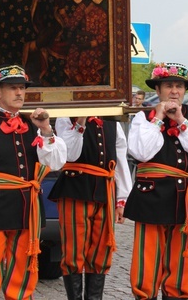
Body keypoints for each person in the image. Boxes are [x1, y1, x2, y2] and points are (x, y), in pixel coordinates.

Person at [0, 63, 67, 300]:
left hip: (27, 209)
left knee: (24, 268)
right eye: (13, 88)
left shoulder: (32, 126)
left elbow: (55, 162)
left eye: (22, 88)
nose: (19, 93)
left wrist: (46, 129)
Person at [124, 62, 188, 300]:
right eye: (168, 86)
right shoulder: (143, 117)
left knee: (181, 264)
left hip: (186, 199)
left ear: (184, 91)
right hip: (151, 197)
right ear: (158, 90)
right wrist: (158, 120)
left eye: (179, 86)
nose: (174, 91)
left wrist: (182, 123)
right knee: (147, 264)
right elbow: (141, 152)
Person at [48, 115, 132, 299]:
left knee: (101, 251)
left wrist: (122, 198)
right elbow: (70, 154)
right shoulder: (65, 119)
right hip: (74, 188)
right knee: (73, 251)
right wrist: (80, 122)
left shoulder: (112, 121)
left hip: (104, 188)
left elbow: (120, 158)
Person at [58, 0, 108, 85]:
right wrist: (62, 11)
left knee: (85, 59)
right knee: (70, 56)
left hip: (94, 47)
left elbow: (103, 35)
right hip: (80, 43)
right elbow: (70, 25)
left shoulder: (100, 12)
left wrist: (90, 44)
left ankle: (89, 85)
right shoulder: (80, 9)